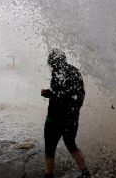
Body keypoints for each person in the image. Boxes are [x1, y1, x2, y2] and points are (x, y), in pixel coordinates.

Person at [41, 48, 91, 178]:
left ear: (51, 61)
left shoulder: (57, 72)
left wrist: (47, 93)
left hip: (55, 119)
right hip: (72, 119)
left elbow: (59, 96)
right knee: (71, 144)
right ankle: (85, 173)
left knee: (49, 150)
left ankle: (48, 175)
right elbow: (77, 95)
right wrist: (73, 115)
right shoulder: (75, 71)